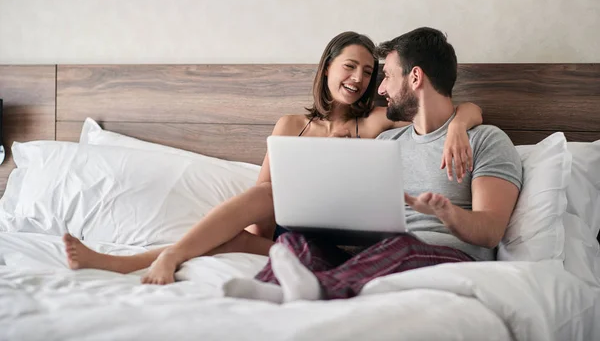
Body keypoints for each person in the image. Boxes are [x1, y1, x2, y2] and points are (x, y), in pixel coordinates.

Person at [63, 31, 484, 285]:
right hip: (289, 232)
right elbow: (258, 216)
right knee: (262, 195)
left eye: (370, 72)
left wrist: (460, 126)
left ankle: (147, 259)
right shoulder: (288, 126)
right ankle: (141, 259)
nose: (360, 79)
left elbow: (458, 108)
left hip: (341, 239)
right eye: (350, 67)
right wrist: (257, 233)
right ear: (327, 69)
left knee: (259, 203)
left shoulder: (374, 123)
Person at [223, 27, 523, 302]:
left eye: (387, 76)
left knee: (403, 247)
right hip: (374, 258)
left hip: (447, 259)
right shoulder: (386, 143)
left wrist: (447, 212)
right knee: (297, 243)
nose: (379, 89)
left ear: (414, 77)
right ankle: (278, 289)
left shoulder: (487, 140)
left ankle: (312, 290)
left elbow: (490, 232)